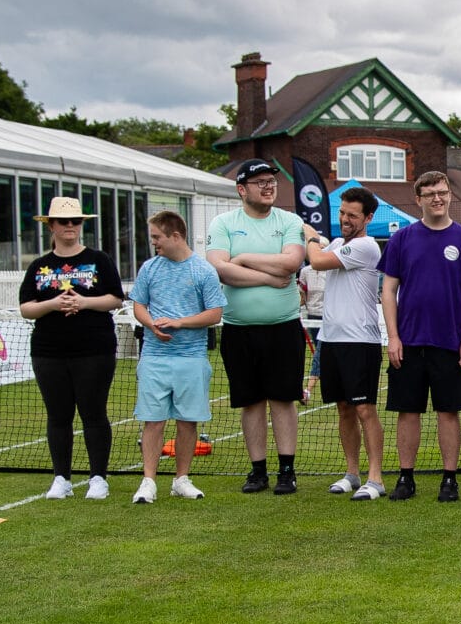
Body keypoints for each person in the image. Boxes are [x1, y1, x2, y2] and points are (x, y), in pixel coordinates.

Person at [207, 158, 307, 495]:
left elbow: (292, 262)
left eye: (272, 181)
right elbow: (220, 270)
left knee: (283, 399)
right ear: (241, 189)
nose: (268, 187)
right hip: (239, 330)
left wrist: (244, 258)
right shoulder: (223, 223)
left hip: (284, 328)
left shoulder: (290, 220)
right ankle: (258, 471)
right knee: (251, 402)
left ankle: (287, 471)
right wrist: (273, 278)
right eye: (259, 182)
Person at [380, 171, 461, 503]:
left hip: (450, 344)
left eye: (442, 192)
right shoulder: (402, 239)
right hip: (408, 343)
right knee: (407, 412)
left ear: (450, 195)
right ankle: (405, 478)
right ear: (418, 199)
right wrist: (393, 337)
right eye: (430, 193)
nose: (437, 198)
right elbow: (389, 291)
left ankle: (449, 479)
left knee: (448, 412)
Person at [20, 197, 125, 501]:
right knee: (58, 415)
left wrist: (83, 302)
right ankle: (61, 478)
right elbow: (26, 308)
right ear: (50, 226)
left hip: (94, 348)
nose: (69, 226)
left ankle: (98, 478)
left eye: (75, 221)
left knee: (93, 412)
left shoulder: (100, 259)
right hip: (48, 351)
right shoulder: (39, 265)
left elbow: (115, 298)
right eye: (63, 221)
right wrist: (53, 304)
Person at [129, 211, 225, 504]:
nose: (154, 243)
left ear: (175, 236)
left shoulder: (203, 270)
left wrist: (180, 323)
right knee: (152, 420)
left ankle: (181, 479)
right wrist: (151, 325)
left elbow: (215, 313)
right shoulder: (149, 268)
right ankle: (148, 482)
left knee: (188, 420)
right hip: (154, 357)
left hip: (192, 358)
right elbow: (139, 306)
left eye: (157, 237)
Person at [301, 186, 386, 501]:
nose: (346, 219)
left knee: (365, 408)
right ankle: (352, 473)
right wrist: (319, 240)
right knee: (344, 409)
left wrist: (310, 235)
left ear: (368, 217)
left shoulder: (366, 247)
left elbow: (317, 260)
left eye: (352, 215)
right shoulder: (338, 242)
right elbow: (323, 250)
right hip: (331, 339)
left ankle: (375, 479)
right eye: (342, 213)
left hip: (360, 341)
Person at [298, 262, 325, 404]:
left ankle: (307, 391)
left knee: (319, 355)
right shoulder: (305, 271)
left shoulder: (330, 271)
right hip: (312, 317)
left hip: (328, 318)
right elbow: (302, 296)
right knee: (323, 355)